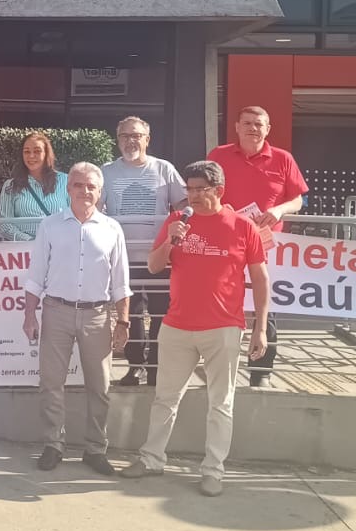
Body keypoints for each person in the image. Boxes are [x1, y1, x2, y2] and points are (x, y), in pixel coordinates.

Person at [120, 160, 270, 497]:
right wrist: (171, 241)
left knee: (220, 402)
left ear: (219, 190)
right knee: (165, 398)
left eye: (201, 189)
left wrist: (260, 328)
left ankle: (213, 470)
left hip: (223, 328)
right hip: (176, 326)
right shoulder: (176, 221)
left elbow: (260, 279)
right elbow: (154, 266)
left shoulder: (243, 227)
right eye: (189, 189)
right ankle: (151, 458)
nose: (194, 196)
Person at [21, 163, 130, 476]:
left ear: (99, 191)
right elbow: (36, 274)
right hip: (56, 312)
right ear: (68, 190)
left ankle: (96, 449)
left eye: (91, 186)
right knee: (51, 383)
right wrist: (30, 314)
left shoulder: (112, 229)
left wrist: (123, 321)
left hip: (98, 315)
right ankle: (54, 444)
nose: (85, 191)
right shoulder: (50, 225)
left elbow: (121, 281)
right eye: (78, 185)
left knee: (100, 386)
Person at [207, 105, 307, 387]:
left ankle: (260, 373)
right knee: (223, 306)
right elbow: (204, 190)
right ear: (236, 127)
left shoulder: (283, 158)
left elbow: (298, 201)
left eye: (258, 124)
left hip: (265, 247)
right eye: (247, 123)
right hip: (225, 243)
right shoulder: (219, 155)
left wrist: (278, 210)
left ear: (268, 129)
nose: (253, 128)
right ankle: (220, 371)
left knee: (264, 309)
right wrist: (220, 206)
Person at [101, 117, 187, 386]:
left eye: (136, 136)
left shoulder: (164, 169)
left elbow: (185, 203)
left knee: (162, 313)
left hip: (161, 257)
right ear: (118, 140)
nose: (130, 141)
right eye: (125, 136)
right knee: (131, 314)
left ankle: (156, 369)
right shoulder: (106, 172)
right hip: (123, 259)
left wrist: (181, 225)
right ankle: (134, 365)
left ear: (147, 139)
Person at [0, 131, 70, 241]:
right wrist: (30, 241)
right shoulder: (11, 185)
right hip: (25, 251)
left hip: (59, 248)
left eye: (37, 151)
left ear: (46, 153)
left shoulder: (66, 180)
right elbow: (4, 225)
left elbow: (75, 216)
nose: (31, 156)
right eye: (26, 152)